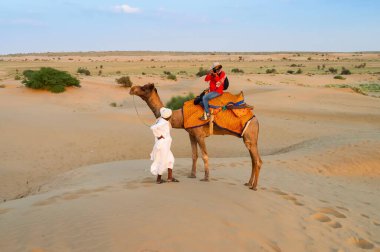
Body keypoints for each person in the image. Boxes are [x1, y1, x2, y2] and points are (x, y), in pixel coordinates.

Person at [150, 107, 179, 184]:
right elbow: (153, 128)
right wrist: (159, 136)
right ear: (168, 117)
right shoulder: (163, 122)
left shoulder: (162, 120)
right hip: (163, 145)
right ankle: (158, 179)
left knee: (170, 159)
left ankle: (170, 178)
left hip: (165, 145)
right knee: (162, 161)